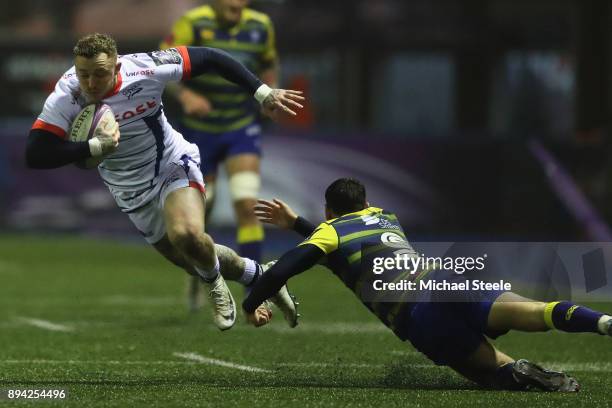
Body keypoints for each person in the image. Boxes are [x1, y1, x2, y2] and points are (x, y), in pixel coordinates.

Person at [25, 33, 303, 330]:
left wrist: (261, 92)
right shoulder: (67, 94)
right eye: (84, 74)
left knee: (187, 235)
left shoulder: (145, 67)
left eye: (100, 74)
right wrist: (93, 147)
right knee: (189, 256)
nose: (91, 83)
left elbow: (210, 57)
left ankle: (215, 287)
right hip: (129, 189)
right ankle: (260, 275)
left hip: (171, 163)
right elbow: (36, 153)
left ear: (117, 68)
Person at [243, 178, 612, 391]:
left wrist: (249, 304)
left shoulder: (328, 232)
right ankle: (601, 322)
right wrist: (298, 223)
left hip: (418, 314)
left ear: (327, 212)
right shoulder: (385, 216)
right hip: (446, 279)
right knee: (535, 311)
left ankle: (519, 370)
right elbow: (345, 245)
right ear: (366, 202)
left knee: (489, 373)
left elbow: (283, 270)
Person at [161, 1, 277, 309]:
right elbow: (161, 66)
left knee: (246, 202)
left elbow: (268, 64)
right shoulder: (193, 23)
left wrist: (270, 92)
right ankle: (200, 270)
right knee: (204, 208)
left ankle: (254, 292)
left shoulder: (261, 26)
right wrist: (186, 95)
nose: (237, 3)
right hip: (200, 131)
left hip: (241, 126)